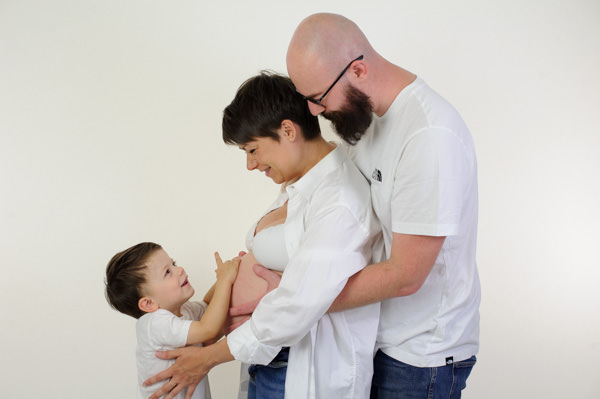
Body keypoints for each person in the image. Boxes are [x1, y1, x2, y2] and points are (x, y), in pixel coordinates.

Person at [143, 71, 382, 399]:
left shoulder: (339, 200)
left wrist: (207, 358)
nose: (250, 165)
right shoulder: (298, 184)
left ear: (287, 130)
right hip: (268, 359)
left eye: (253, 150)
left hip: (298, 364)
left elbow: (300, 302)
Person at [285, 13, 481, 398]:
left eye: (317, 98)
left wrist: (299, 298)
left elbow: (406, 274)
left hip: (422, 354)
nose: (313, 112)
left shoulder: (429, 135)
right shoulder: (367, 119)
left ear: (358, 70)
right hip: (379, 336)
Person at [104, 242, 240, 399]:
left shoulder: (183, 310)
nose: (179, 269)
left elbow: (209, 306)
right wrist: (224, 280)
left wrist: (227, 272)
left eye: (174, 264)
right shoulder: (153, 324)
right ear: (148, 303)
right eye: (168, 272)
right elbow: (208, 329)